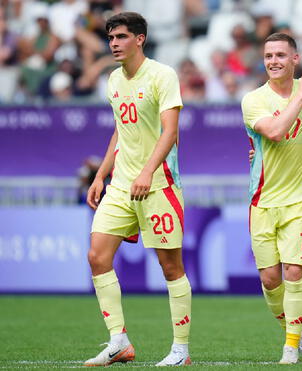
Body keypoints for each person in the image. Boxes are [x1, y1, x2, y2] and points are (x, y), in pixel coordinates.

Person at [84, 12, 192, 367]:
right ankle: (119, 341)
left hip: (158, 184)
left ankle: (180, 349)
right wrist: (101, 174)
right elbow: (121, 130)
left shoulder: (163, 75)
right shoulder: (113, 79)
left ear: (140, 39)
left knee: (170, 267)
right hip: (120, 186)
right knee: (97, 257)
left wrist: (148, 171)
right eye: (111, 38)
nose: (114, 43)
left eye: (121, 37)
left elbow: (170, 132)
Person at [240, 32, 302, 364]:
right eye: (268, 56)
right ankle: (300, 337)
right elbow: (275, 132)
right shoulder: (253, 100)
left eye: (280, 55)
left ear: (295, 59)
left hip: (299, 198)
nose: (273, 61)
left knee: (293, 272)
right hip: (262, 200)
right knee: (270, 278)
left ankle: (290, 347)